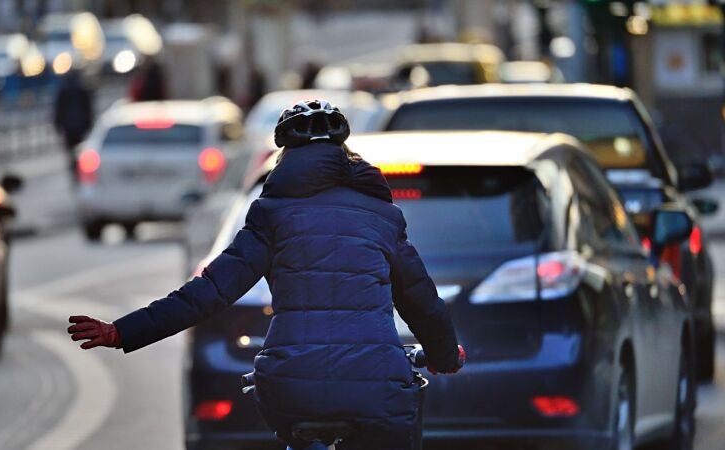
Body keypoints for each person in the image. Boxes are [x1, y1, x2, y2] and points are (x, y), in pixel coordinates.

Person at [67, 99, 462, 450]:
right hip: (376, 386)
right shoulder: (382, 216)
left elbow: (210, 291)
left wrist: (123, 331)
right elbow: (421, 301)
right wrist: (444, 356)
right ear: (345, 154)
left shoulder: (271, 214)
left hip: (290, 386)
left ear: (286, 157)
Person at [53, 69, 93, 174]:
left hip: (68, 127)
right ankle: (79, 169)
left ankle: (74, 169)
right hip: (81, 126)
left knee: (71, 151)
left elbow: (58, 110)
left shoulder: (63, 91)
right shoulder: (82, 90)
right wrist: (89, 124)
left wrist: (57, 125)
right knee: (81, 150)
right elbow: (88, 109)